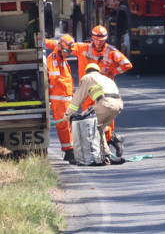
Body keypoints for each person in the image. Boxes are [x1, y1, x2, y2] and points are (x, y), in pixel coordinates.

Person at [66, 63, 126, 165]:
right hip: (118, 105)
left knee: (85, 120)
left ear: (87, 71)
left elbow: (78, 98)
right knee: (99, 128)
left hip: (106, 104)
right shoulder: (106, 78)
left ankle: (91, 158)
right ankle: (107, 156)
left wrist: (68, 115)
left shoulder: (87, 78)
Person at [46, 34, 76, 163]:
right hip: (59, 99)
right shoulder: (53, 59)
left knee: (67, 124)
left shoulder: (61, 58)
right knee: (63, 125)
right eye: (65, 51)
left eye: (69, 51)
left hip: (65, 97)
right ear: (59, 47)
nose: (67, 53)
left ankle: (70, 149)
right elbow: (52, 80)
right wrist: (49, 97)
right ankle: (69, 151)